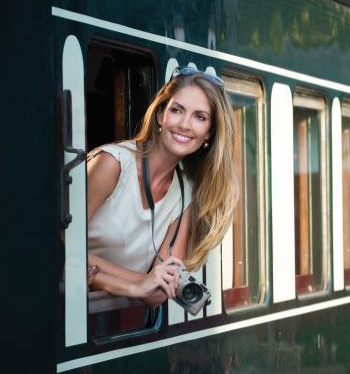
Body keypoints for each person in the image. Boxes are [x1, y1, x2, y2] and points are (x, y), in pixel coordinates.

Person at [86, 66, 238, 307]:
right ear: (160, 115)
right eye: (177, 110)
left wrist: (97, 271)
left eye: (200, 117)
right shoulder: (112, 164)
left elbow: (157, 292)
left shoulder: (186, 191)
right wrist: (138, 283)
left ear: (209, 133)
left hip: (109, 327)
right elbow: (58, 251)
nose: (185, 125)